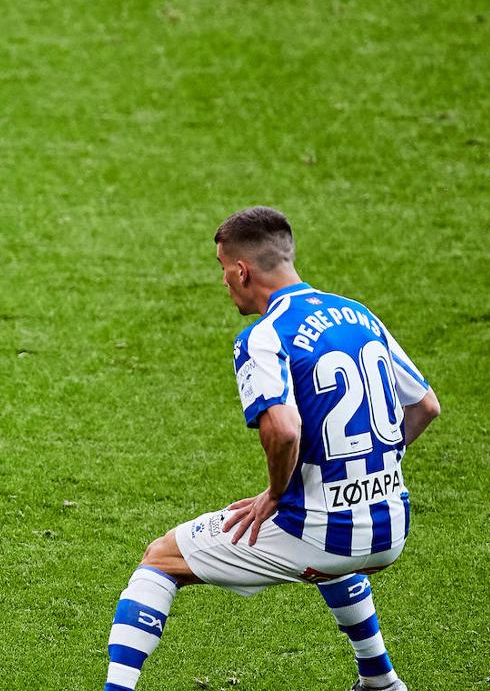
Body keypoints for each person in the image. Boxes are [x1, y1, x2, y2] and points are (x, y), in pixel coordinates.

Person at [102, 207, 440, 691]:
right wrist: (367, 466)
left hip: (321, 529)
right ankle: (380, 680)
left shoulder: (264, 337)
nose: (223, 281)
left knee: (160, 558)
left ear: (241, 271)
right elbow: (426, 406)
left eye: (222, 268)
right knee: (332, 559)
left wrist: (275, 494)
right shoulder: (361, 315)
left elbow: (282, 431)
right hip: (392, 524)